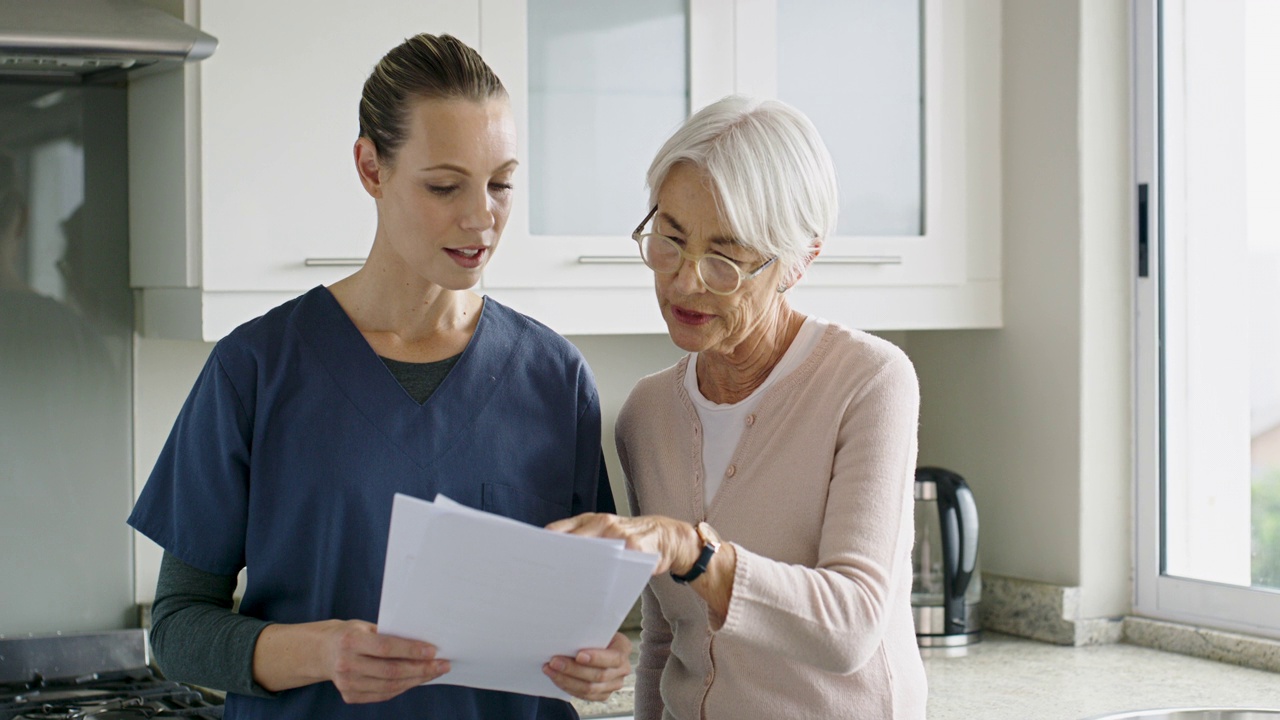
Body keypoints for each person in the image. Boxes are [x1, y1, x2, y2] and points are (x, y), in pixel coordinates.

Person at [127, 33, 630, 719]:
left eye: (502, 183)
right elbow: (178, 630)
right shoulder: (257, 369)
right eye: (445, 185)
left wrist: (597, 666)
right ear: (371, 167)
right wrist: (322, 652)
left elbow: (582, 624)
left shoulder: (553, 379)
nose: (482, 216)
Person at [548, 95, 928, 718]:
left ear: (799, 260)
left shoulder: (869, 381)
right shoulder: (647, 414)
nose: (685, 280)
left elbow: (852, 625)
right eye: (669, 239)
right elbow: (666, 638)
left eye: (724, 258)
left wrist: (691, 551)